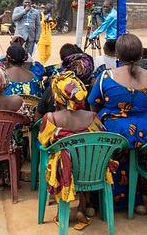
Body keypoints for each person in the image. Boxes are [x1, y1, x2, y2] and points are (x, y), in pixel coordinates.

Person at [88, 33, 147, 212]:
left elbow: (94, 105)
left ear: (117, 55)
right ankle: (138, 201)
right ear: (140, 55)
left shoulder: (106, 77)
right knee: (137, 157)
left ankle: (97, 201)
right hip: (146, 135)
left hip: (112, 134)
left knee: (101, 148)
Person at [38, 72, 106, 230]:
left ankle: (62, 209)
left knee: (61, 161)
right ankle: (83, 206)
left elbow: (43, 141)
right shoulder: (92, 116)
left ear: (58, 96)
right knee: (82, 158)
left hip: (65, 172)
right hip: (90, 171)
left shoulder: (51, 118)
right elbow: (100, 138)